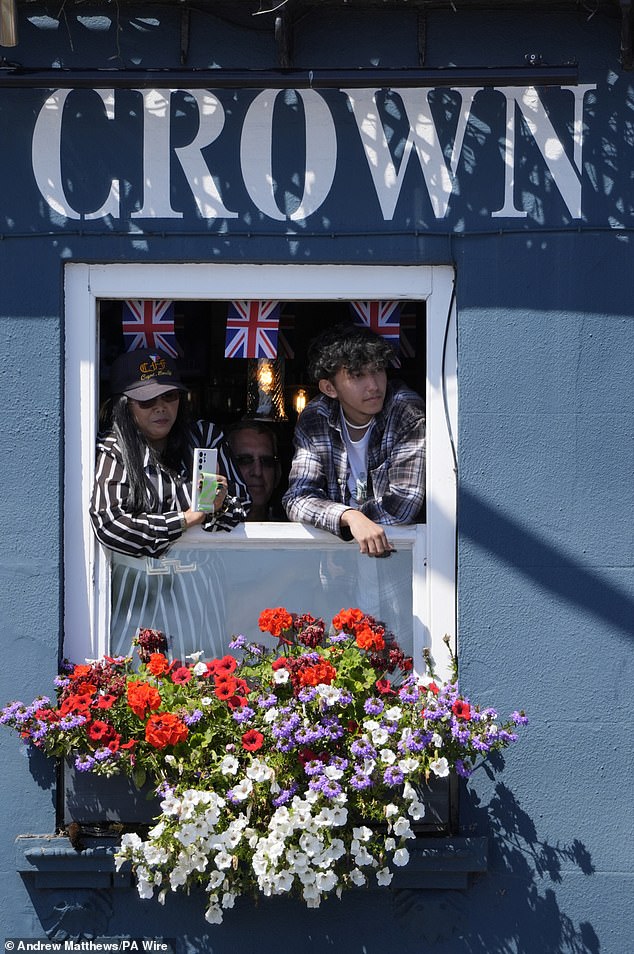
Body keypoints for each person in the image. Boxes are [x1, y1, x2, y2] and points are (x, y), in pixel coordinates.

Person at [90, 348, 250, 657]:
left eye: (170, 397)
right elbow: (110, 523)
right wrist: (185, 520)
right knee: (137, 686)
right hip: (140, 585)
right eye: (148, 401)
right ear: (125, 405)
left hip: (201, 587)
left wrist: (218, 507)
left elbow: (242, 507)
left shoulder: (204, 437)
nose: (161, 408)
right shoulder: (113, 448)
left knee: (206, 683)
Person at [283, 324, 425, 557]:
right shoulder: (315, 418)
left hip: (398, 560)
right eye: (358, 375)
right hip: (339, 566)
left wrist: (346, 522)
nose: (374, 385)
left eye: (378, 369)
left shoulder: (404, 411)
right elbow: (297, 497)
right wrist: (349, 517)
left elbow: (404, 503)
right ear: (329, 388)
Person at [227, 420, 283, 522]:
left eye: (267, 461)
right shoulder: (201, 532)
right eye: (244, 460)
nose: (257, 472)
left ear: (278, 473)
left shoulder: (293, 532)